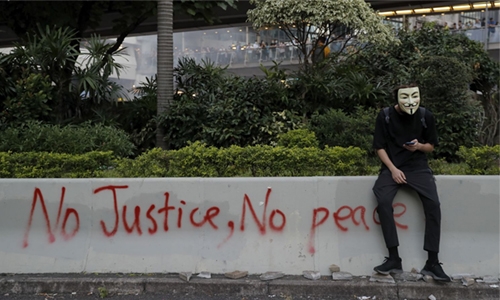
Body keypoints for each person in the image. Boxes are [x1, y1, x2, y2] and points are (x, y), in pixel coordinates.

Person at [372, 84, 451, 282]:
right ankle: (393, 258)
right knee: (383, 201)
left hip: (418, 168)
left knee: (433, 205)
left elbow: (431, 146)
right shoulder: (385, 116)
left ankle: (432, 262)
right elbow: (379, 147)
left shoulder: (426, 116)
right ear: (397, 98)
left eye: (414, 96)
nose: (410, 101)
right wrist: (393, 169)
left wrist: (418, 147)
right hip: (393, 167)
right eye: (405, 97)